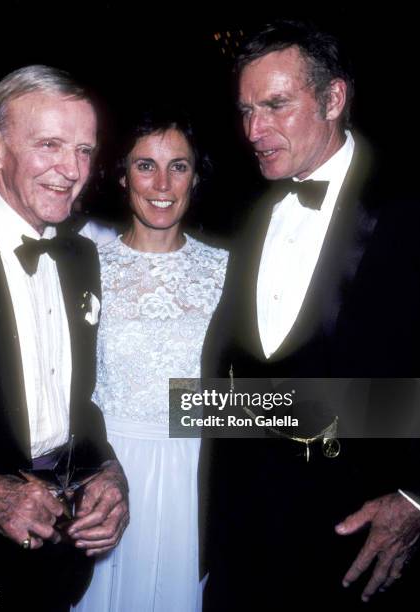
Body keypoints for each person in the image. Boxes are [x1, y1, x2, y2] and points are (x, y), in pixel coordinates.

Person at [201, 19, 420, 611]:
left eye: (275, 105)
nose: (254, 130)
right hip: (244, 544)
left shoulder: (408, 206)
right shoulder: (240, 209)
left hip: (362, 548)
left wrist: (416, 497)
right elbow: (238, 387)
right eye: (246, 110)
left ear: (333, 98)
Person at [0, 65, 128, 612]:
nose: (72, 170)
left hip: (56, 567)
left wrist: (107, 469)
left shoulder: (81, 258)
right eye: (50, 145)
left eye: (85, 151)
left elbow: (76, 402)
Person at [73, 108, 228, 612]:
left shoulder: (229, 270)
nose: (162, 183)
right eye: (145, 166)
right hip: (104, 468)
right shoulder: (82, 264)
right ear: (121, 176)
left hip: (193, 477)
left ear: (196, 176)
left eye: (178, 166)